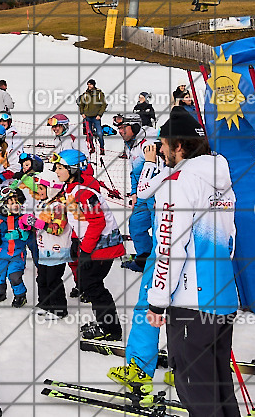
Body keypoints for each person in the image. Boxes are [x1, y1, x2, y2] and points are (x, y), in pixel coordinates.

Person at [146, 110, 238, 417]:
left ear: (180, 146)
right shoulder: (220, 177)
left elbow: (170, 247)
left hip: (192, 304)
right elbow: (231, 237)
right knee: (219, 387)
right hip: (222, 298)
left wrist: (157, 301)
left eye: (163, 144)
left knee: (196, 392)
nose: (160, 150)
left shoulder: (179, 183)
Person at [109, 135, 168, 400]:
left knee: (149, 307)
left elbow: (144, 189)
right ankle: (185, 367)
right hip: (174, 252)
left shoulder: (168, 173)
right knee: (181, 312)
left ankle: (141, 371)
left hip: (167, 254)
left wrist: (149, 163)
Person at [54, 148, 124, 342]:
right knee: (88, 284)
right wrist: (77, 241)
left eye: (61, 168)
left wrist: (85, 250)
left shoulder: (83, 193)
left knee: (93, 286)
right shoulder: (73, 189)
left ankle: (111, 329)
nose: (56, 171)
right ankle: (105, 323)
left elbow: (97, 222)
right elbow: (80, 219)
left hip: (103, 248)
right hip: (93, 245)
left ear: (74, 169)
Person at [31, 170, 72, 320]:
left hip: (57, 250)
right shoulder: (43, 204)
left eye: (42, 188)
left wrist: (38, 223)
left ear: (52, 189)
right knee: (41, 278)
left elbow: (57, 228)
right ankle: (45, 304)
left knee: (53, 280)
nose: (39, 191)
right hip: (44, 249)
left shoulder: (59, 206)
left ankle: (59, 309)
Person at [118, 113, 152, 272]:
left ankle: (161, 261)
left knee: (161, 229)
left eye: (123, 127)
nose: (120, 131)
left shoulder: (150, 142)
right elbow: (134, 172)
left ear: (135, 127)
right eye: (119, 128)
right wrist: (134, 193)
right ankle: (145, 257)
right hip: (142, 195)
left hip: (157, 195)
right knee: (136, 226)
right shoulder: (131, 144)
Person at [0, 187, 30, 307]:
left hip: (17, 254)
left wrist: (21, 233)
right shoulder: (0, 223)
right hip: (3, 253)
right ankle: (0, 293)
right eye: (11, 203)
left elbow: (28, 234)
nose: (16, 205)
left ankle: (20, 295)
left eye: (16, 202)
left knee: (14, 275)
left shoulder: (22, 219)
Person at [78, 79, 107, 155]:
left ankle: (102, 148)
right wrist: (82, 113)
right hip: (87, 116)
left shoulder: (99, 93)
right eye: (88, 84)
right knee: (89, 134)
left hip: (96, 117)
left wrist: (100, 114)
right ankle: (92, 147)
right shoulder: (85, 94)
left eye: (90, 84)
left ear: (94, 85)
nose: (89, 86)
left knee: (99, 133)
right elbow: (81, 104)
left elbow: (103, 105)